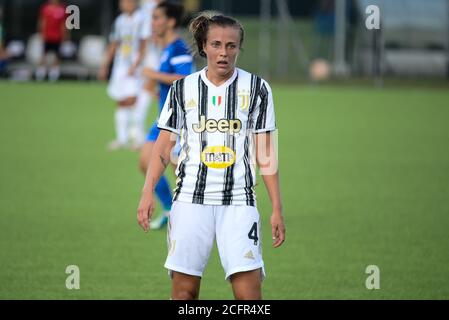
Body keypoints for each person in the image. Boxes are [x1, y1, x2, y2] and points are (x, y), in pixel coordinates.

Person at [137, 12, 286, 300]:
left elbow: (266, 151)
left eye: (231, 46)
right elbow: (163, 147)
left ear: (239, 48)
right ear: (204, 46)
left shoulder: (258, 89)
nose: (223, 52)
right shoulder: (182, 89)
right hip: (191, 200)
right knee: (184, 293)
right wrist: (147, 192)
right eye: (216, 44)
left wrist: (277, 207)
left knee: (249, 296)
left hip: (240, 202)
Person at [138, 2, 194, 229]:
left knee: (182, 171)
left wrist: (153, 74)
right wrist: (158, 90)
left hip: (177, 120)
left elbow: (183, 79)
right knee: (145, 162)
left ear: (170, 22)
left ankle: (191, 214)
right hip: (163, 117)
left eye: (157, 18)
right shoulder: (167, 47)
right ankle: (171, 209)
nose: (153, 23)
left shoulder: (179, 48)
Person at [98, 0, 147, 150]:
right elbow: (114, 44)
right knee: (120, 100)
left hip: (135, 66)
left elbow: (144, 43)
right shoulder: (119, 20)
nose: (126, 4)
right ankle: (121, 138)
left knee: (132, 99)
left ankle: (138, 138)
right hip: (120, 65)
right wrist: (105, 65)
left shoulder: (142, 18)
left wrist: (136, 64)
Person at [132, 0, 164, 149]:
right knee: (147, 90)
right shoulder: (150, 8)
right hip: (153, 55)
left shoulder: (147, 8)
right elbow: (147, 37)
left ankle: (138, 133)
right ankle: (138, 133)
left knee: (149, 91)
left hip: (153, 55)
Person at [35, 0, 67, 82]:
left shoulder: (62, 9)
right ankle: (40, 76)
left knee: (57, 57)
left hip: (57, 37)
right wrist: (41, 33)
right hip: (47, 36)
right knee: (43, 55)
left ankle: (53, 77)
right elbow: (42, 21)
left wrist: (64, 35)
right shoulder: (46, 9)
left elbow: (63, 24)